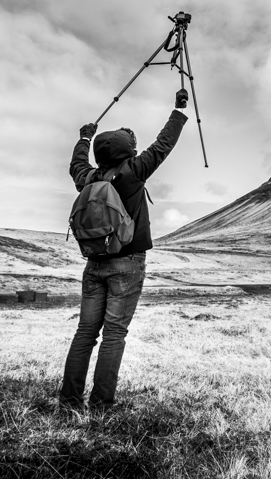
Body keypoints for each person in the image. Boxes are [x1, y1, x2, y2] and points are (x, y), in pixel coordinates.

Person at [59, 90, 188, 412]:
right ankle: (101, 407)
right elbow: (163, 145)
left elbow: (76, 163)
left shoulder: (87, 178)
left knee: (85, 333)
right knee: (114, 334)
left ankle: (69, 402)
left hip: (94, 264)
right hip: (127, 264)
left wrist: (84, 137)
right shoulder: (132, 172)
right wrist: (178, 110)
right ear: (127, 152)